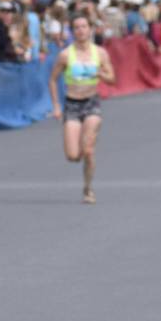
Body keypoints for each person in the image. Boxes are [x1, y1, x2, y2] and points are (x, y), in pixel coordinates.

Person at [48, 14, 116, 205]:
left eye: (84, 26)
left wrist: (100, 73)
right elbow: (52, 79)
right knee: (73, 156)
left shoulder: (100, 53)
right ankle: (82, 147)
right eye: (76, 27)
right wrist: (56, 106)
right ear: (72, 31)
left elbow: (112, 78)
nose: (81, 30)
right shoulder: (65, 55)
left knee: (88, 150)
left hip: (91, 102)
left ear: (90, 29)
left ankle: (88, 189)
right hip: (72, 104)